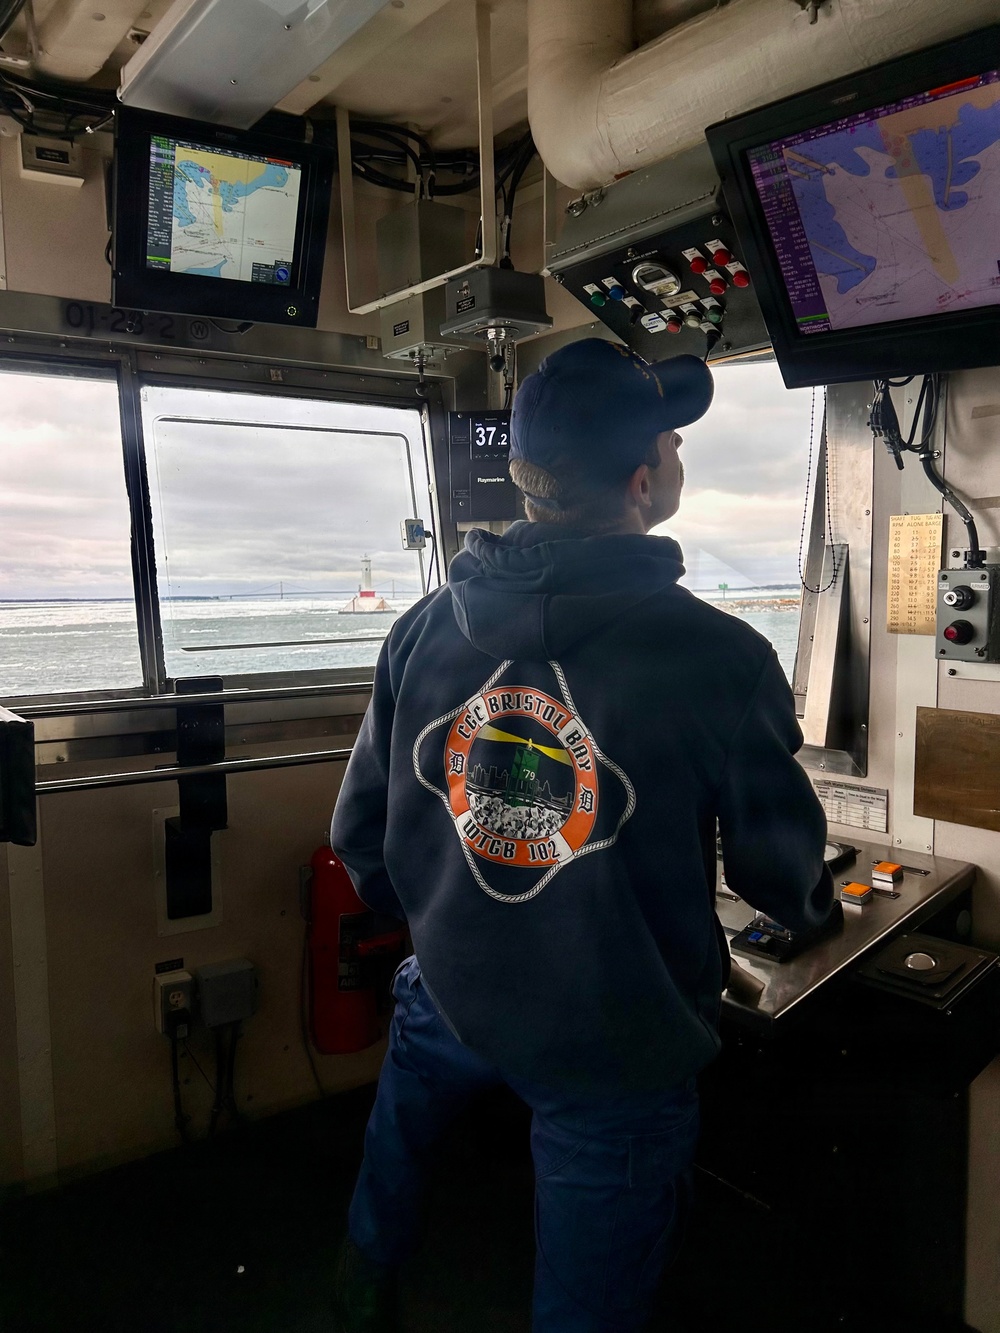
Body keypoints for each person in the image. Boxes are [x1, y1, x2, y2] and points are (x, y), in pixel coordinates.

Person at [330, 337, 835, 1332]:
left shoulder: (423, 626)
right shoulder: (720, 656)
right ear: (644, 482)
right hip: (612, 1036)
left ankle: (356, 1292)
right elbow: (782, 879)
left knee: (388, 1191)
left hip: (449, 997)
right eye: (673, 440)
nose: (679, 455)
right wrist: (812, 910)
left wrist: (455, 931)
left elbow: (360, 836)